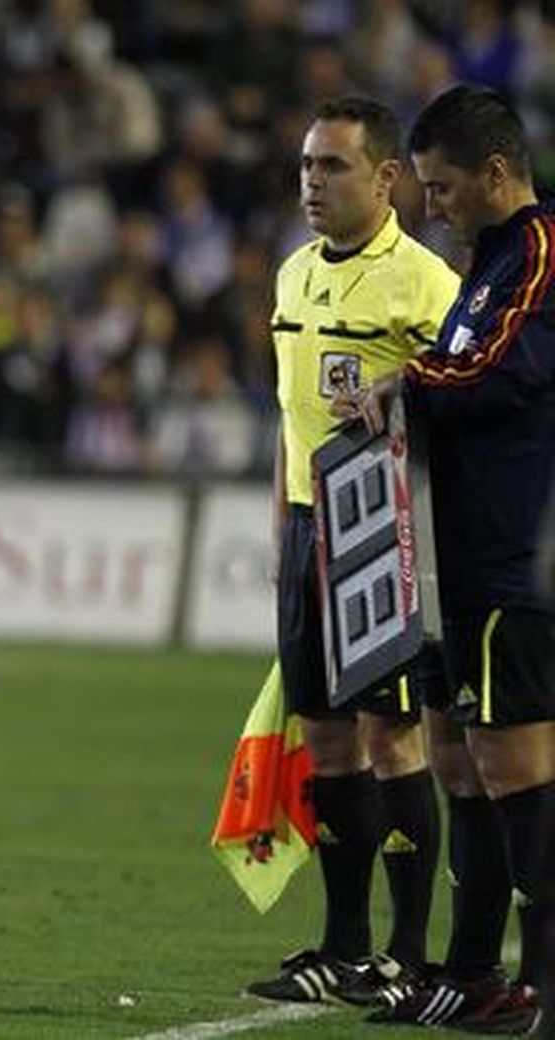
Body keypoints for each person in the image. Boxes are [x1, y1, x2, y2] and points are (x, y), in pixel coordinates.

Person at [341, 85, 554, 1034]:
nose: (430, 206)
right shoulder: (488, 264)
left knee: (519, 772)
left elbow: (499, 372)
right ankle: (474, 973)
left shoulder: (541, 253)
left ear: (496, 173)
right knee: (463, 768)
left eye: (441, 187)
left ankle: (541, 985)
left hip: (517, 559)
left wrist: (408, 380)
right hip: (459, 560)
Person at [247, 96, 457, 1006]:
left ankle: (407, 956)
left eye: (333, 166)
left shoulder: (424, 282)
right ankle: (345, 948)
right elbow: (288, 417)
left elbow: (462, 403)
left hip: (385, 534)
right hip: (307, 529)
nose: (312, 182)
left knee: (392, 737)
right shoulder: (292, 273)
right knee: (329, 741)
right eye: (306, 165)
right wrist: (281, 526)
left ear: (386, 179)